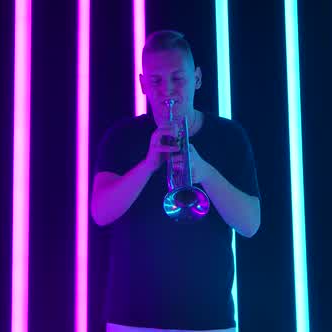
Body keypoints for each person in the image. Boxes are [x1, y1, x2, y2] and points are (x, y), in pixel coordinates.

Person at [90, 30, 261, 332]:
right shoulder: (121, 137)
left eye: (177, 78)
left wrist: (204, 170)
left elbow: (250, 224)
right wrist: (148, 164)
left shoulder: (230, 136)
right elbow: (101, 213)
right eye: (155, 80)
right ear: (143, 84)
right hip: (132, 319)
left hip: (211, 320)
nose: (167, 90)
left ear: (196, 79)